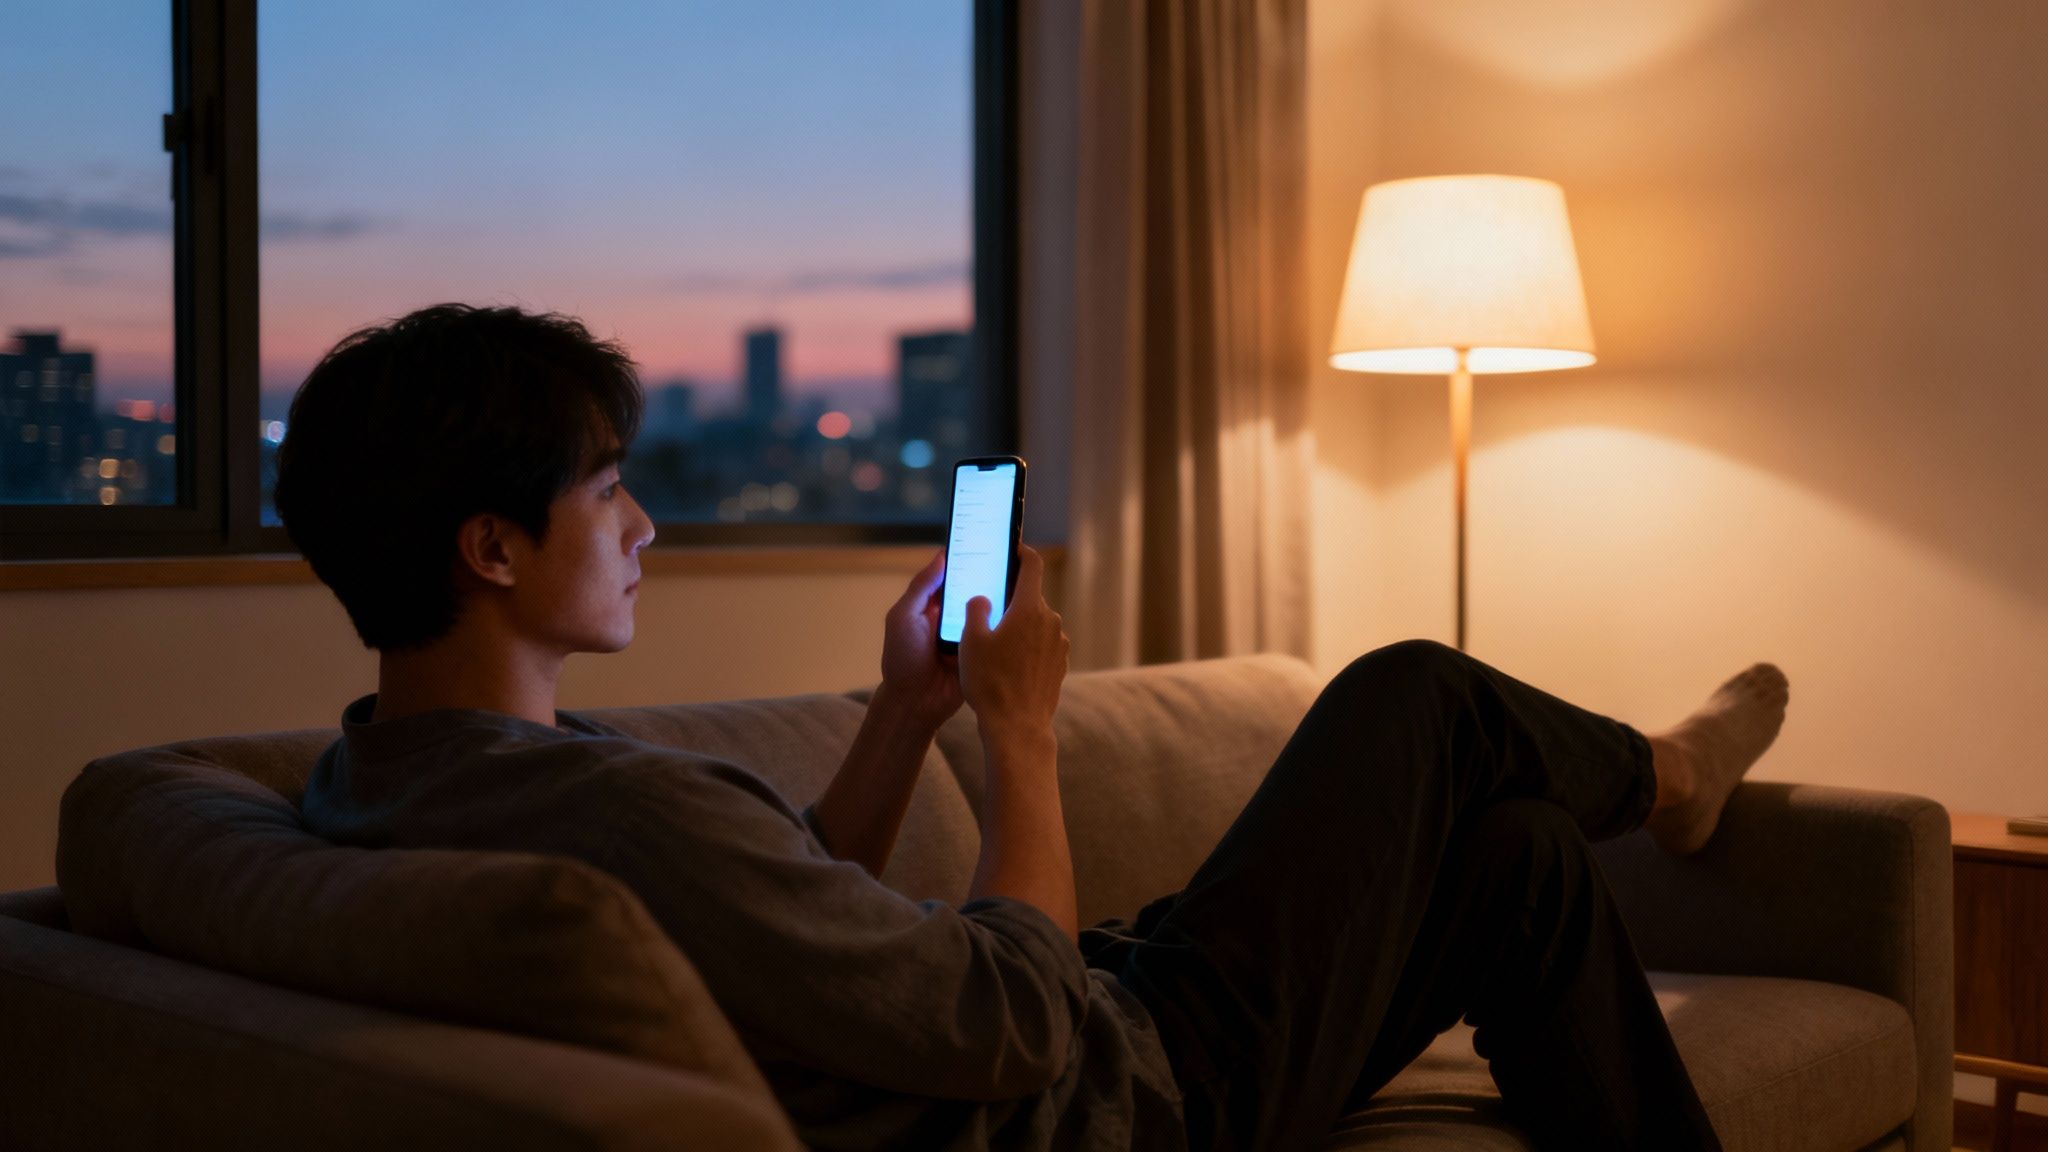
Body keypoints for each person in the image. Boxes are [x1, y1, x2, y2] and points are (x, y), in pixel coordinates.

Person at [275, 303, 1789, 1152]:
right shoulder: (601, 815)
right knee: (1414, 694)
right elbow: (1017, 1019)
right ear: (490, 549)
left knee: (1518, 854)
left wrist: (905, 712)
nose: (646, 525)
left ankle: (1638, 792)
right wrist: (1016, 730)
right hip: (1123, 1099)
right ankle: (1663, 778)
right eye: (608, 492)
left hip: (1086, 1013)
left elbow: (779, 911)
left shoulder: (376, 775)